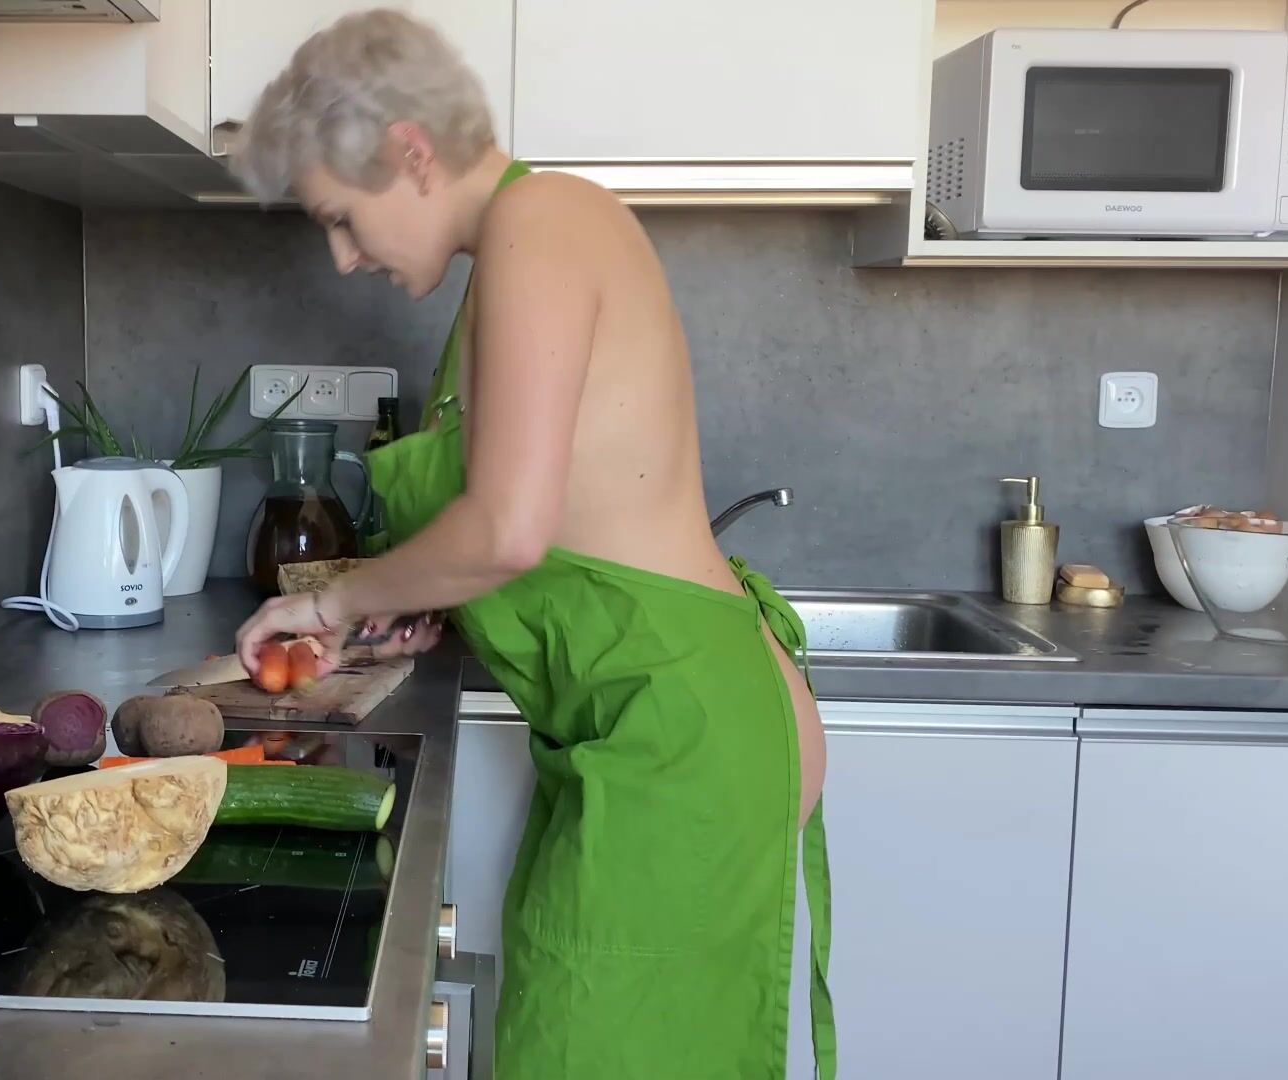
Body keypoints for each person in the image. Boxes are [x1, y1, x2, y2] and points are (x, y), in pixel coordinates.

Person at [228, 11, 834, 1079]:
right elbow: (562, 525)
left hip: (678, 739)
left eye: (342, 218)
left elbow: (508, 528)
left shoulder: (544, 221)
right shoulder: (507, 260)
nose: (344, 256)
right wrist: (438, 597)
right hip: (631, 733)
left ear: (411, 151)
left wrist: (330, 602)